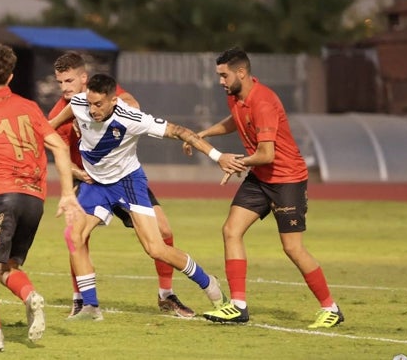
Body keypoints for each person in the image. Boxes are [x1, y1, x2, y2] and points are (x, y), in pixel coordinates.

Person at [49, 73, 242, 321]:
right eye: (90, 103)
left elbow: (180, 131)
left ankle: (209, 285)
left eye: (99, 105)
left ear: (113, 101)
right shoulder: (78, 104)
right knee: (74, 236)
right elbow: (50, 127)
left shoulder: (132, 118)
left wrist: (218, 156)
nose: (92, 110)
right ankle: (90, 306)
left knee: (156, 248)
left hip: (128, 183)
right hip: (95, 183)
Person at [184, 47, 343, 328]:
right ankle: (238, 306)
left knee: (292, 248)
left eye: (224, 75)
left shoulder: (264, 102)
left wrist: (235, 162)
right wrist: (204, 133)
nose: (220, 81)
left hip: (287, 178)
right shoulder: (236, 96)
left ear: (241, 73)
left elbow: (267, 154)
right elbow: (236, 121)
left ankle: (330, 308)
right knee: (231, 230)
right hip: (260, 177)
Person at [0, 41, 82, 352]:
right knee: (5, 267)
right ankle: (30, 296)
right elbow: (61, 148)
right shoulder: (29, 107)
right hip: (34, 200)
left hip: (1, 197)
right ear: (10, 77)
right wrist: (66, 194)